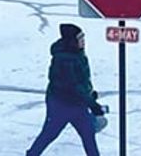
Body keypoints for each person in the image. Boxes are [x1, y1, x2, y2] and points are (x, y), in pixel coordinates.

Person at [25, 23, 104, 156]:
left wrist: (90, 95)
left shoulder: (77, 54)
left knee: (88, 135)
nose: (83, 41)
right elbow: (73, 86)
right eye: (80, 38)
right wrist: (91, 103)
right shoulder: (64, 60)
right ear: (72, 41)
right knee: (50, 133)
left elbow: (81, 82)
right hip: (61, 105)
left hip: (78, 104)